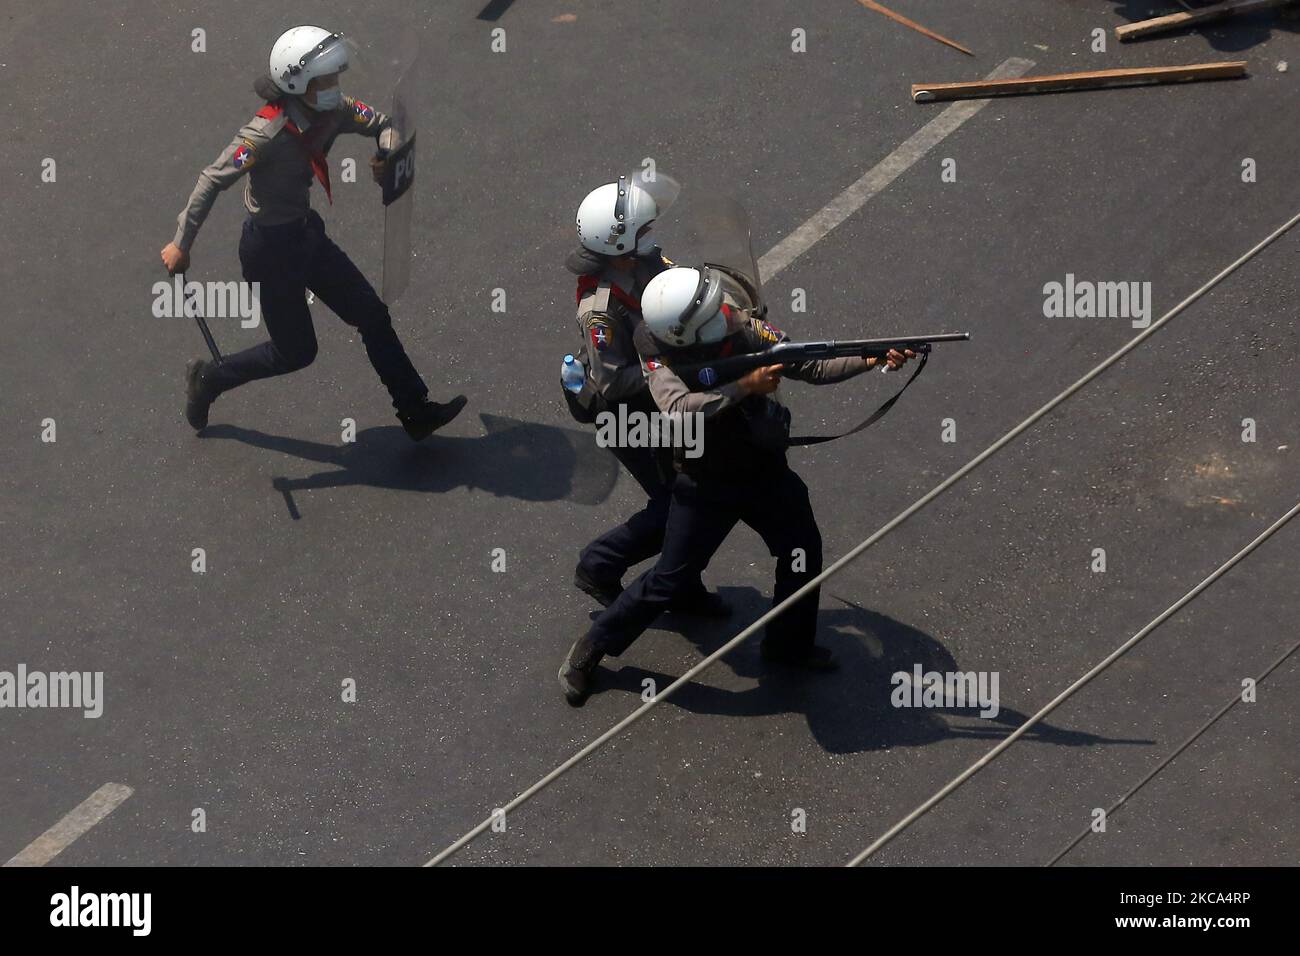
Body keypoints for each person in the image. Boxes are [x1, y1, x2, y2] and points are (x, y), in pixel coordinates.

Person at [558, 262, 913, 705]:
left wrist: (870, 358)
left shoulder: (737, 324)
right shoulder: (654, 350)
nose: (727, 314)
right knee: (669, 578)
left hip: (764, 471)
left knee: (802, 551)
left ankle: (788, 645)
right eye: (714, 313)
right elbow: (679, 408)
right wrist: (745, 385)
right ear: (685, 331)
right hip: (705, 482)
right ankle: (591, 648)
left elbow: (810, 364)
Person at [159, 25, 465, 439]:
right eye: (326, 80)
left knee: (372, 316)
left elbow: (383, 123)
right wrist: (182, 243)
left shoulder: (334, 110)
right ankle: (210, 379)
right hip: (268, 252)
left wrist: (386, 153)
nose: (336, 87)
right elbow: (212, 180)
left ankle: (414, 410)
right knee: (296, 352)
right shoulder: (264, 135)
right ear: (296, 82)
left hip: (306, 236)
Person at [564, 176, 727, 616]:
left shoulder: (643, 263)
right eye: (643, 230)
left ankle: (680, 584)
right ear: (617, 245)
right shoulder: (600, 310)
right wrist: (670, 371)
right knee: (678, 502)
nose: (653, 237)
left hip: (657, 398)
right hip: (627, 412)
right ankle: (599, 565)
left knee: (690, 494)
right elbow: (614, 383)